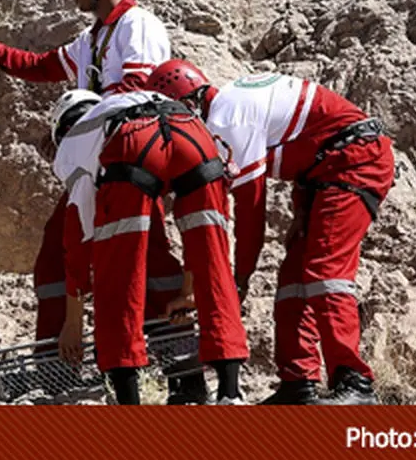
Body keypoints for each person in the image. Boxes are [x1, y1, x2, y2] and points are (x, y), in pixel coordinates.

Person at [0, 0, 194, 392]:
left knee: (147, 257)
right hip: (99, 164)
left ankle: (182, 367)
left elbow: (136, 94)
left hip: (130, 160)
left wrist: (76, 126)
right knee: (60, 259)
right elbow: (38, 66)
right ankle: (60, 369)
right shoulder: (94, 37)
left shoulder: (137, 25)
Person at [147, 60, 395, 405]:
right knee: (293, 280)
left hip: (353, 160)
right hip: (323, 171)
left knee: (325, 273)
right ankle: (298, 383)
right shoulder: (227, 108)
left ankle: (355, 383)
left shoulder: (227, 119)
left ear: (186, 106)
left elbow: (250, 215)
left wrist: (239, 282)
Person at [49, 89, 249, 405]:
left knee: (114, 275)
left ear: (61, 129)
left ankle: (130, 403)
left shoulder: (72, 147)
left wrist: (72, 322)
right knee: (213, 257)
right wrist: (186, 291)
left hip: (133, 141)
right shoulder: (115, 106)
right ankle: (230, 392)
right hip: (192, 130)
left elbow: (78, 238)